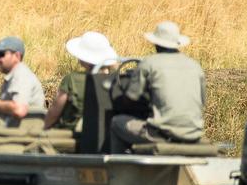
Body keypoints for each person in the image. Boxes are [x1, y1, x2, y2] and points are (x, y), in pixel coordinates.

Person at [108, 20, 206, 152]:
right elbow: (202, 101)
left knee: (116, 122)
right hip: (193, 133)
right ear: (177, 43)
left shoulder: (149, 63)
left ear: (155, 43)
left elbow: (130, 100)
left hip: (163, 134)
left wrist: (119, 100)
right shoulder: (195, 66)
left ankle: (119, 168)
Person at [42, 31, 118, 132]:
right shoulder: (116, 80)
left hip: (72, 133)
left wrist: (42, 129)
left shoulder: (72, 80)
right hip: (106, 132)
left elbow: (55, 112)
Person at [0, 35, 46, 128]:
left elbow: (19, 109)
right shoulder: (14, 75)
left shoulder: (21, 76)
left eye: (1, 54)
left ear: (17, 56)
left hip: (20, 135)